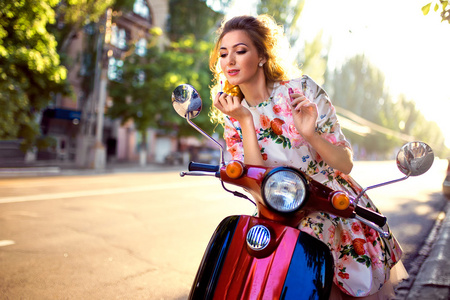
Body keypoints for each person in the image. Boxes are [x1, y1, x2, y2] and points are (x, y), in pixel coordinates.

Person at [209, 15, 407, 299]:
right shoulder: (234, 113)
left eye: (240, 51)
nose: (230, 61)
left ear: (262, 56)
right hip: (280, 210)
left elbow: (345, 163)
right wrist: (245, 121)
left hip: (331, 203)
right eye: (224, 54)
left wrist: (311, 134)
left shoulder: (301, 90)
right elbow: (256, 182)